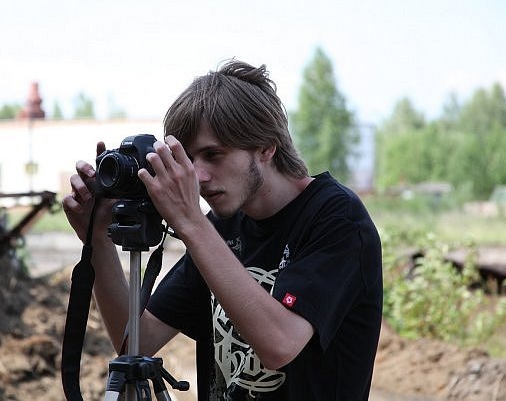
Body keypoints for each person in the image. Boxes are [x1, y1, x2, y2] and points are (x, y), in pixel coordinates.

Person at [63, 60, 383, 400]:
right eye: (188, 159)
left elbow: (280, 345)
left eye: (213, 155)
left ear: (266, 146)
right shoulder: (221, 226)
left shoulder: (336, 218)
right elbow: (135, 341)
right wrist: (97, 240)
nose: (198, 176)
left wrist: (191, 222)